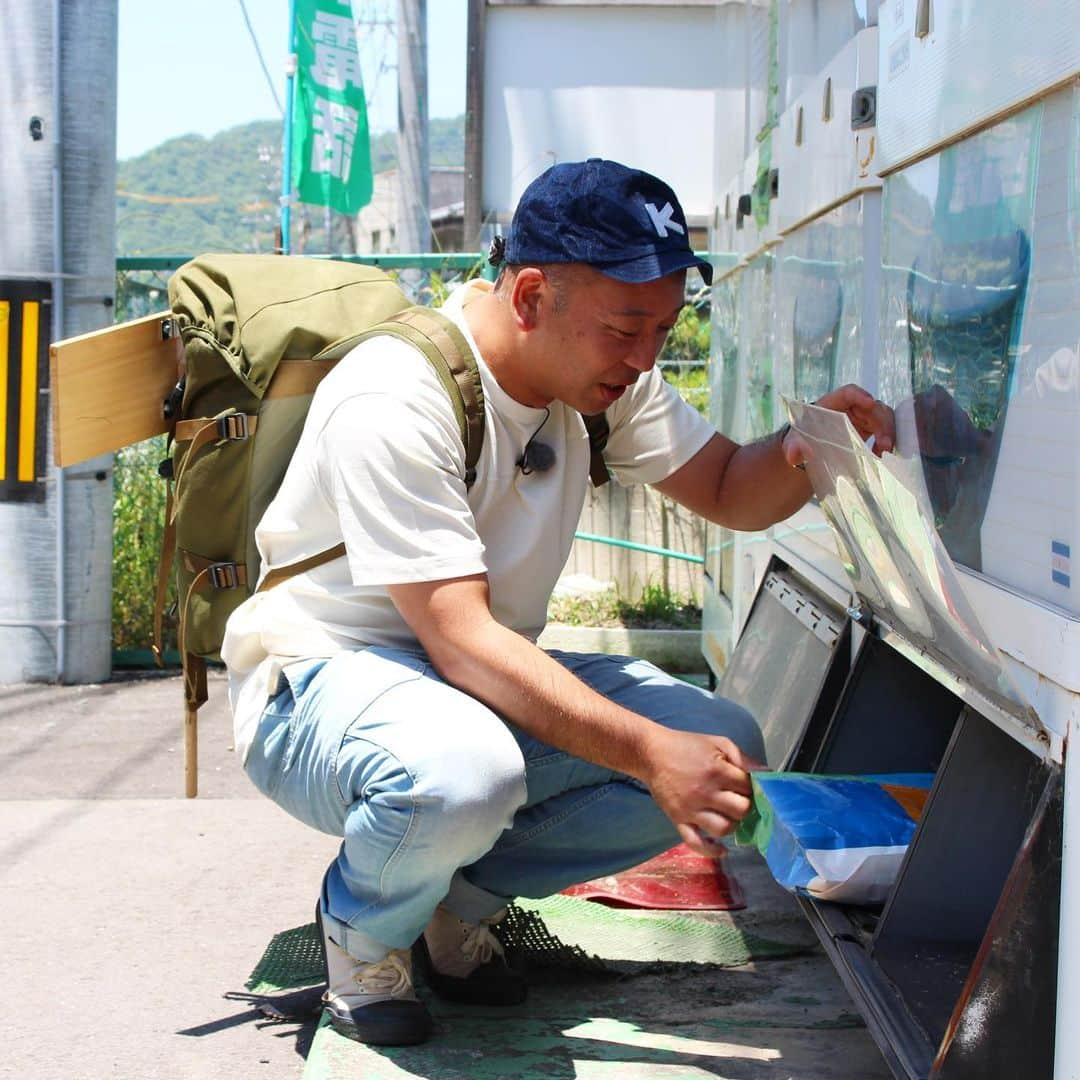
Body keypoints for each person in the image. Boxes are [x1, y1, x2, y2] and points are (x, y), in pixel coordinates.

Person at [221, 158, 895, 1047]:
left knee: (725, 750)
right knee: (464, 773)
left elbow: (733, 485)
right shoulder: (398, 391)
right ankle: (361, 936)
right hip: (320, 686)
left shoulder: (602, 384)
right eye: (626, 327)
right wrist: (651, 752)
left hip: (462, 687)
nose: (646, 355)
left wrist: (815, 445)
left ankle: (450, 906)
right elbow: (460, 640)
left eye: (664, 327)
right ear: (532, 294)